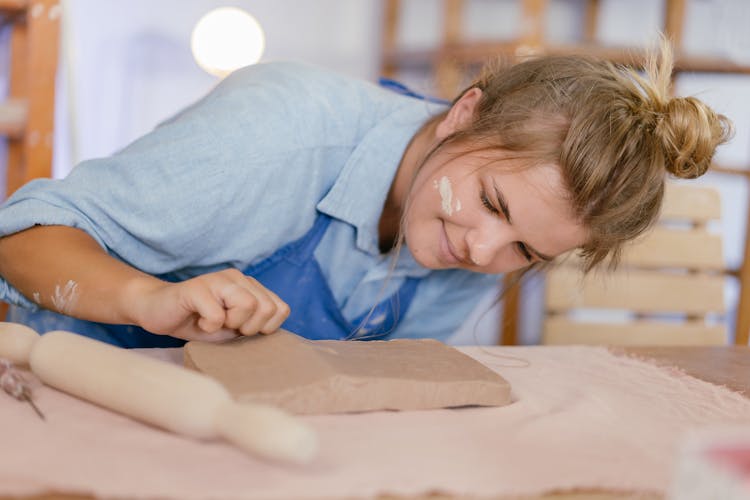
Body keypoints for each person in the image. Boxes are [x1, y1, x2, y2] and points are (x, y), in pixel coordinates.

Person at [0, 40, 732, 348]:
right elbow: (22, 238)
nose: (481, 250)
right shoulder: (280, 131)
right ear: (466, 112)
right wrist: (143, 300)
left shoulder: (479, 242)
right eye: (493, 204)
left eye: (525, 251)